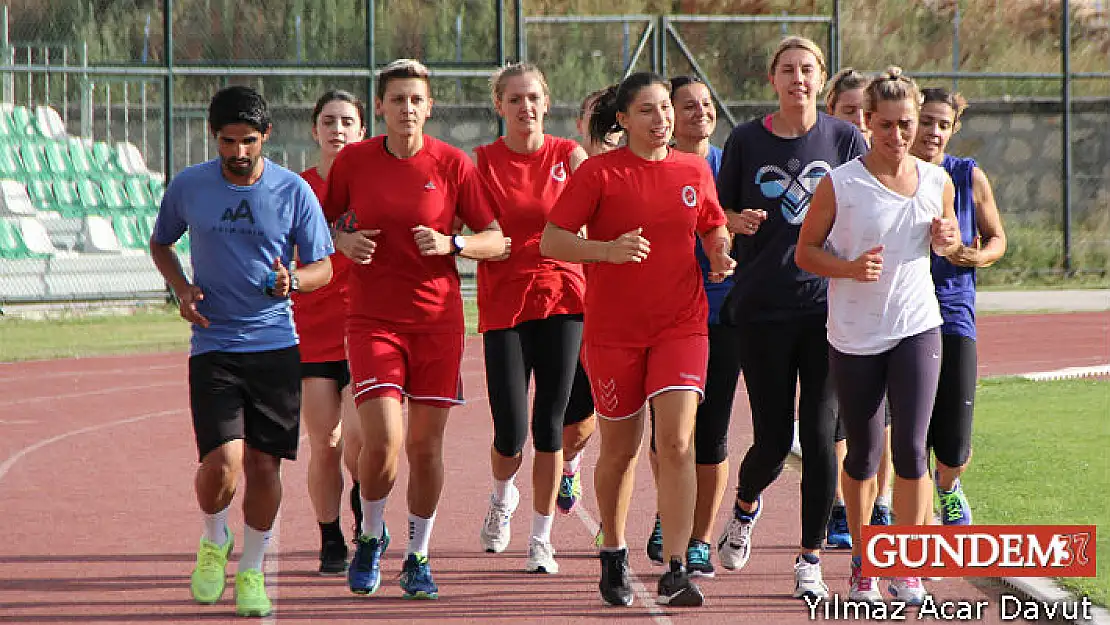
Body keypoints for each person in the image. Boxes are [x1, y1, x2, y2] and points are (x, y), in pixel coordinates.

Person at [541, 71, 734, 608]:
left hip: (682, 324)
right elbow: (552, 239)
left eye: (665, 108)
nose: (662, 118)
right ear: (622, 119)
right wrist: (606, 251)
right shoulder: (600, 174)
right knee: (621, 450)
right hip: (614, 332)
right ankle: (615, 553)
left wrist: (719, 251)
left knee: (676, 441)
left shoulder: (694, 168)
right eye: (647, 110)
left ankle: (677, 567)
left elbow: (712, 224)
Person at [150, 85, 334, 618]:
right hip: (213, 343)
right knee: (222, 464)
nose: (238, 152)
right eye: (228, 141)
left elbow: (322, 267)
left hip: (275, 345)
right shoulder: (189, 187)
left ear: (266, 136)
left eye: (248, 141)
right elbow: (161, 242)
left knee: (264, 464)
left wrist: (293, 281)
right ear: (215, 137)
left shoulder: (294, 191)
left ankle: (251, 570)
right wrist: (182, 289)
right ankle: (214, 539)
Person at [325, 59, 506, 600]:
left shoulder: (453, 164)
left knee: (426, 449)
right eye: (397, 99)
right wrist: (342, 242)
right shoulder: (355, 161)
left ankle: (418, 555)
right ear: (379, 107)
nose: (407, 108)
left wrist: (454, 244)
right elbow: (323, 221)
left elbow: (496, 239)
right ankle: (372, 534)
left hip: (436, 323)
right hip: (373, 319)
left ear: (429, 107)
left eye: (416, 100)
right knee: (382, 443)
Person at [795, 67, 962, 605]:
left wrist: (948, 237)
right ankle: (864, 565)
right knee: (865, 453)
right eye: (885, 125)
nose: (896, 135)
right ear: (867, 123)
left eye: (905, 124)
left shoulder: (938, 180)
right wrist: (846, 270)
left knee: (913, 450)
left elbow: (948, 242)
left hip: (917, 324)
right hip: (855, 333)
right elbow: (806, 252)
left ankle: (905, 565)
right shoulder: (841, 183)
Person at [714, 35, 867, 600]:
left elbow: (867, 206)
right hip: (761, 307)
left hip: (827, 308)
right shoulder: (747, 140)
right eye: (787, 70)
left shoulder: (844, 137)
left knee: (823, 436)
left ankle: (809, 558)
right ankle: (746, 506)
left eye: (807, 69)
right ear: (772, 79)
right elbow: (718, 213)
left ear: (820, 78)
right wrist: (736, 220)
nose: (797, 78)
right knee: (775, 439)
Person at [473, 63, 588, 575]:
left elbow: (601, 213)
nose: (526, 107)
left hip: (564, 300)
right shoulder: (481, 164)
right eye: (515, 99)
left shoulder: (570, 157)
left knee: (550, 427)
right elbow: (468, 227)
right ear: (499, 106)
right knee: (509, 433)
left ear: (547, 101)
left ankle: (541, 539)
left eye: (533, 97)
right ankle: (502, 497)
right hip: (504, 304)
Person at [637, 75, 736, 578]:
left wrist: (727, 242)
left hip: (723, 316)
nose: (699, 111)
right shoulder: (657, 166)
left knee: (712, 434)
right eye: (687, 105)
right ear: (670, 114)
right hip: (667, 317)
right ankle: (666, 512)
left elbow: (733, 224)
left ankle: (698, 539)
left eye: (706, 103)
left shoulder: (728, 164)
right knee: (668, 440)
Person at [910, 86, 1007, 526]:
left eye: (942, 125)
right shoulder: (893, 176)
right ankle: (914, 512)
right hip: (903, 315)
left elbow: (997, 238)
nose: (932, 131)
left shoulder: (968, 175)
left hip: (953, 312)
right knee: (911, 434)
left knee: (953, 441)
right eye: (925, 121)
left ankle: (948, 484)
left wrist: (976, 256)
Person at [291, 89, 367, 575]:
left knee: (365, 444)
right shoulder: (295, 188)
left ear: (362, 130)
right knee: (326, 442)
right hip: (313, 331)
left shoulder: (376, 182)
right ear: (314, 130)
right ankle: (330, 534)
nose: (337, 129)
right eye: (328, 121)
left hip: (367, 328)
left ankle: (366, 516)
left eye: (347, 121)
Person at [823, 67, 896, 547]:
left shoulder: (893, 169)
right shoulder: (826, 172)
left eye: (860, 112)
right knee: (834, 414)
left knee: (883, 417)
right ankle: (838, 504)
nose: (855, 122)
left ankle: (882, 504)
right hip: (823, 302)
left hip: (883, 312)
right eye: (845, 111)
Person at [556, 84, 622, 518]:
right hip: (572, 306)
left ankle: (615, 525)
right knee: (575, 424)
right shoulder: (565, 168)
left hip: (624, 310)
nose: (608, 127)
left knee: (619, 422)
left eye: (614, 118)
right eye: (597, 116)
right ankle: (569, 464)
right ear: (581, 124)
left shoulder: (636, 173)